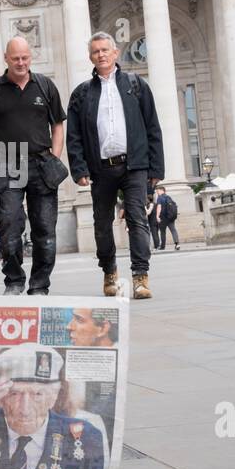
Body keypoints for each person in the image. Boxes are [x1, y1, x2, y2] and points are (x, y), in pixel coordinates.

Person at [66, 31, 164, 300]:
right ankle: (109, 271)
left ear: (115, 52)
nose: (101, 55)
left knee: (137, 219)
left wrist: (156, 170)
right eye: (96, 51)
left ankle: (140, 277)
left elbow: (152, 127)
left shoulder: (136, 85)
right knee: (101, 224)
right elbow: (73, 136)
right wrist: (79, 168)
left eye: (105, 50)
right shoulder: (82, 93)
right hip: (101, 169)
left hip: (134, 165)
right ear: (91, 57)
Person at [0, 37, 68, 295]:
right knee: (9, 225)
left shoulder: (45, 86)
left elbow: (58, 125)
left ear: (30, 57)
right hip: (7, 162)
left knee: (45, 228)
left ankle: (39, 285)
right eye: (16, 58)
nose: (21, 63)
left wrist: (55, 159)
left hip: (41, 162)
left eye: (25, 58)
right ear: (6, 58)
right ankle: (14, 281)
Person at [152, 185, 181, 251]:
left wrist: (157, 216)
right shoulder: (168, 197)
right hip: (170, 217)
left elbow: (159, 207)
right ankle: (177, 244)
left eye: (157, 191)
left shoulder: (160, 198)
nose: (157, 192)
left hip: (163, 218)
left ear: (161, 190)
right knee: (173, 230)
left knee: (162, 232)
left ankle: (162, 246)